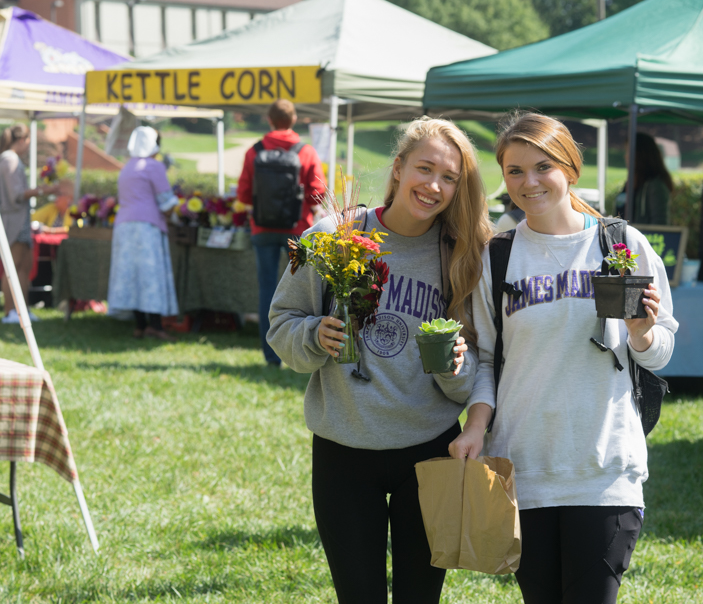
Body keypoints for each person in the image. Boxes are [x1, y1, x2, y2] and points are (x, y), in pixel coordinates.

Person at [449, 113, 677, 604]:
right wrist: (475, 425)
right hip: (525, 467)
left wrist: (641, 334)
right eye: (514, 171)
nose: (529, 182)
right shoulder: (499, 257)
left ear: (570, 168)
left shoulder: (620, 244)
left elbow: (661, 352)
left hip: (604, 470)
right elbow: (487, 359)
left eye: (543, 166)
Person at [268, 117, 491, 603]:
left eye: (449, 177)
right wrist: (314, 334)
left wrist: (456, 365)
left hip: (429, 450)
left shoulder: (463, 257)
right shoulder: (332, 238)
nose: (433, 185)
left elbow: (473, 372)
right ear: (398, 168)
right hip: (343, 451)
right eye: (424, 168)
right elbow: (281, 324)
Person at [238, 99, 325, 367]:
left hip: (262, 229)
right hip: (297, 232)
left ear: (269, 119)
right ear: (294, 119)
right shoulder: (306, 151)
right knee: (302, 294)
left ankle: (270, 355)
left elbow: (243, 194)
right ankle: (298, 354)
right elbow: (318, 194)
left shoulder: (254, 151)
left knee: (267, 290)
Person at [107, 126, 179, 341]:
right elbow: (166, 203)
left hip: (124, 227)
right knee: (150, 277)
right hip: (146, 227)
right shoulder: (154, 166)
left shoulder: (127, 167)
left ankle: (140, 325)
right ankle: (156, 325)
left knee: (133, 277)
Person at [0, 124, 61, 323]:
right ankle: (10, 311)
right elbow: (16, 195)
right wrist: (44, 191)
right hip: (13, 220)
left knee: (24, 266)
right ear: (22, 139)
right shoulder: (9, 160)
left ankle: (21, 310)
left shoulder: (10, 159)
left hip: (20, 219)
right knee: (13, 267)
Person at [616, 133, 673, 225]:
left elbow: (660, 225)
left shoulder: (656, 186)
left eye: (627, 151)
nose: (625, 156)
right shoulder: (631, 182)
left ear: (640, 155)